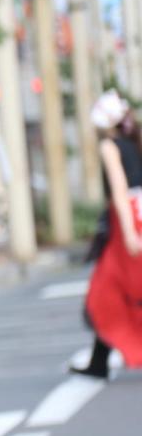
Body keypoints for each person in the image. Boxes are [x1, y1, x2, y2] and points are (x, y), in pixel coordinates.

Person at [73, 89, 142, 377]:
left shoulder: (109, 146)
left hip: (128, 221)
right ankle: (99, 361)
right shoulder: (133, 142)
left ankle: (99, 361)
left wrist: (128, 233)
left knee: (108, 289)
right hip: (138, 213)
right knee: (120, 288)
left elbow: (118, 190)